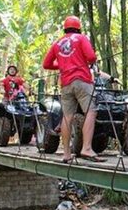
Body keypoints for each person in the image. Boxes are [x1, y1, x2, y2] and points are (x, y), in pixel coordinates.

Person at [42, 16, 106, 163]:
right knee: (90, 111)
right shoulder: (81, 38)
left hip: (65, 83)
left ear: (65, 28)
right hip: (82, 80)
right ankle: (87, 148)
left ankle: (66, 154)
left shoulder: (57, 43)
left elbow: (46, 64)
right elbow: (91, 57)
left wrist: (63, 65)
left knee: (67, 116)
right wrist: (81, 61)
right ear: (78, 27)